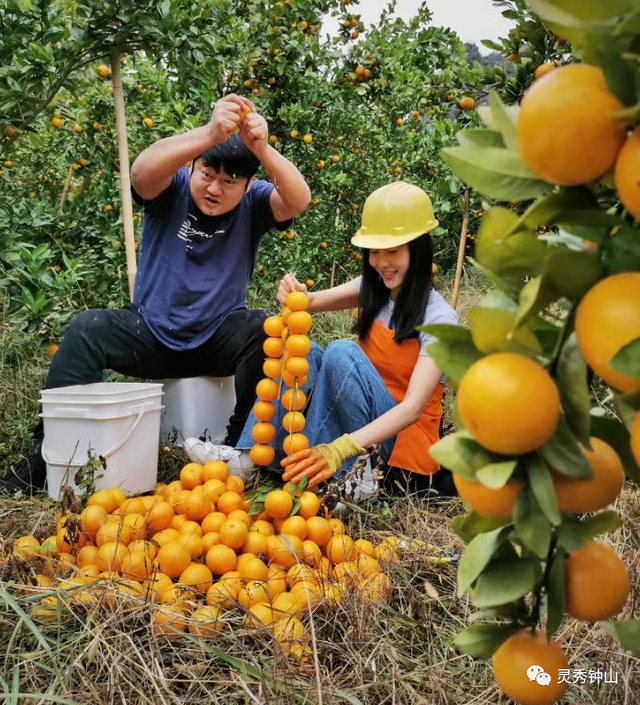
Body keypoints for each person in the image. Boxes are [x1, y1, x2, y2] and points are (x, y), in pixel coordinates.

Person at [0, 94, 311, 494]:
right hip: (149, 333)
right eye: (207, 174)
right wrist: (209, 132)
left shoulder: (255, 204)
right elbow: (141, 171)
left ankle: (240, 450)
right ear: (193, 164)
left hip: (217, 338)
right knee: (86, 328)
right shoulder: (172, 187)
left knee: (261, 326)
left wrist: (262, 148)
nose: (215, 188)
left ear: (249, 184)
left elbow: (298, 199)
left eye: (229, 182)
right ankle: (48, 455)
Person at [185, 181, 458, 497]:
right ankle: (253, 456)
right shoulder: (375, 288)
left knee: (341, 351)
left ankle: (359, 475)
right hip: (358, 429)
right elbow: (309, 302)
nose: (382, 262)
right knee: (303, 350)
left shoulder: (439, 319)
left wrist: (339, 448)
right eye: (374, 251)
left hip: (399, 451)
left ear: (418, 249)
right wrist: (294, 293)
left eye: (393, 251)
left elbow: (412, 409)